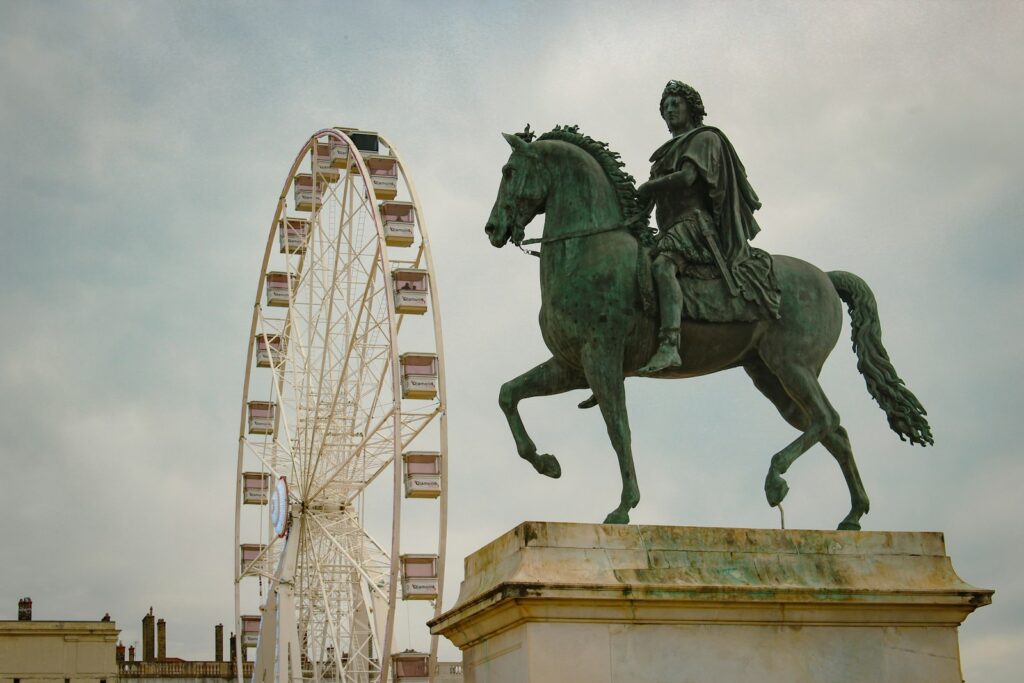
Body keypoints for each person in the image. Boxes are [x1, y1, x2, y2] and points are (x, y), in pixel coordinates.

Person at [637, 81, 780, 374]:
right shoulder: (663, 154)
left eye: (676, 103)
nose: (670, 109)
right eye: (665, 107)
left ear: (692, 108)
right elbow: (648, 204)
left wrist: (649, 186)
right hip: (669, 229)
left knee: (664, 267)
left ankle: (670, 345)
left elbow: (688, 177)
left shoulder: (704, 139)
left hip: (694, 226)